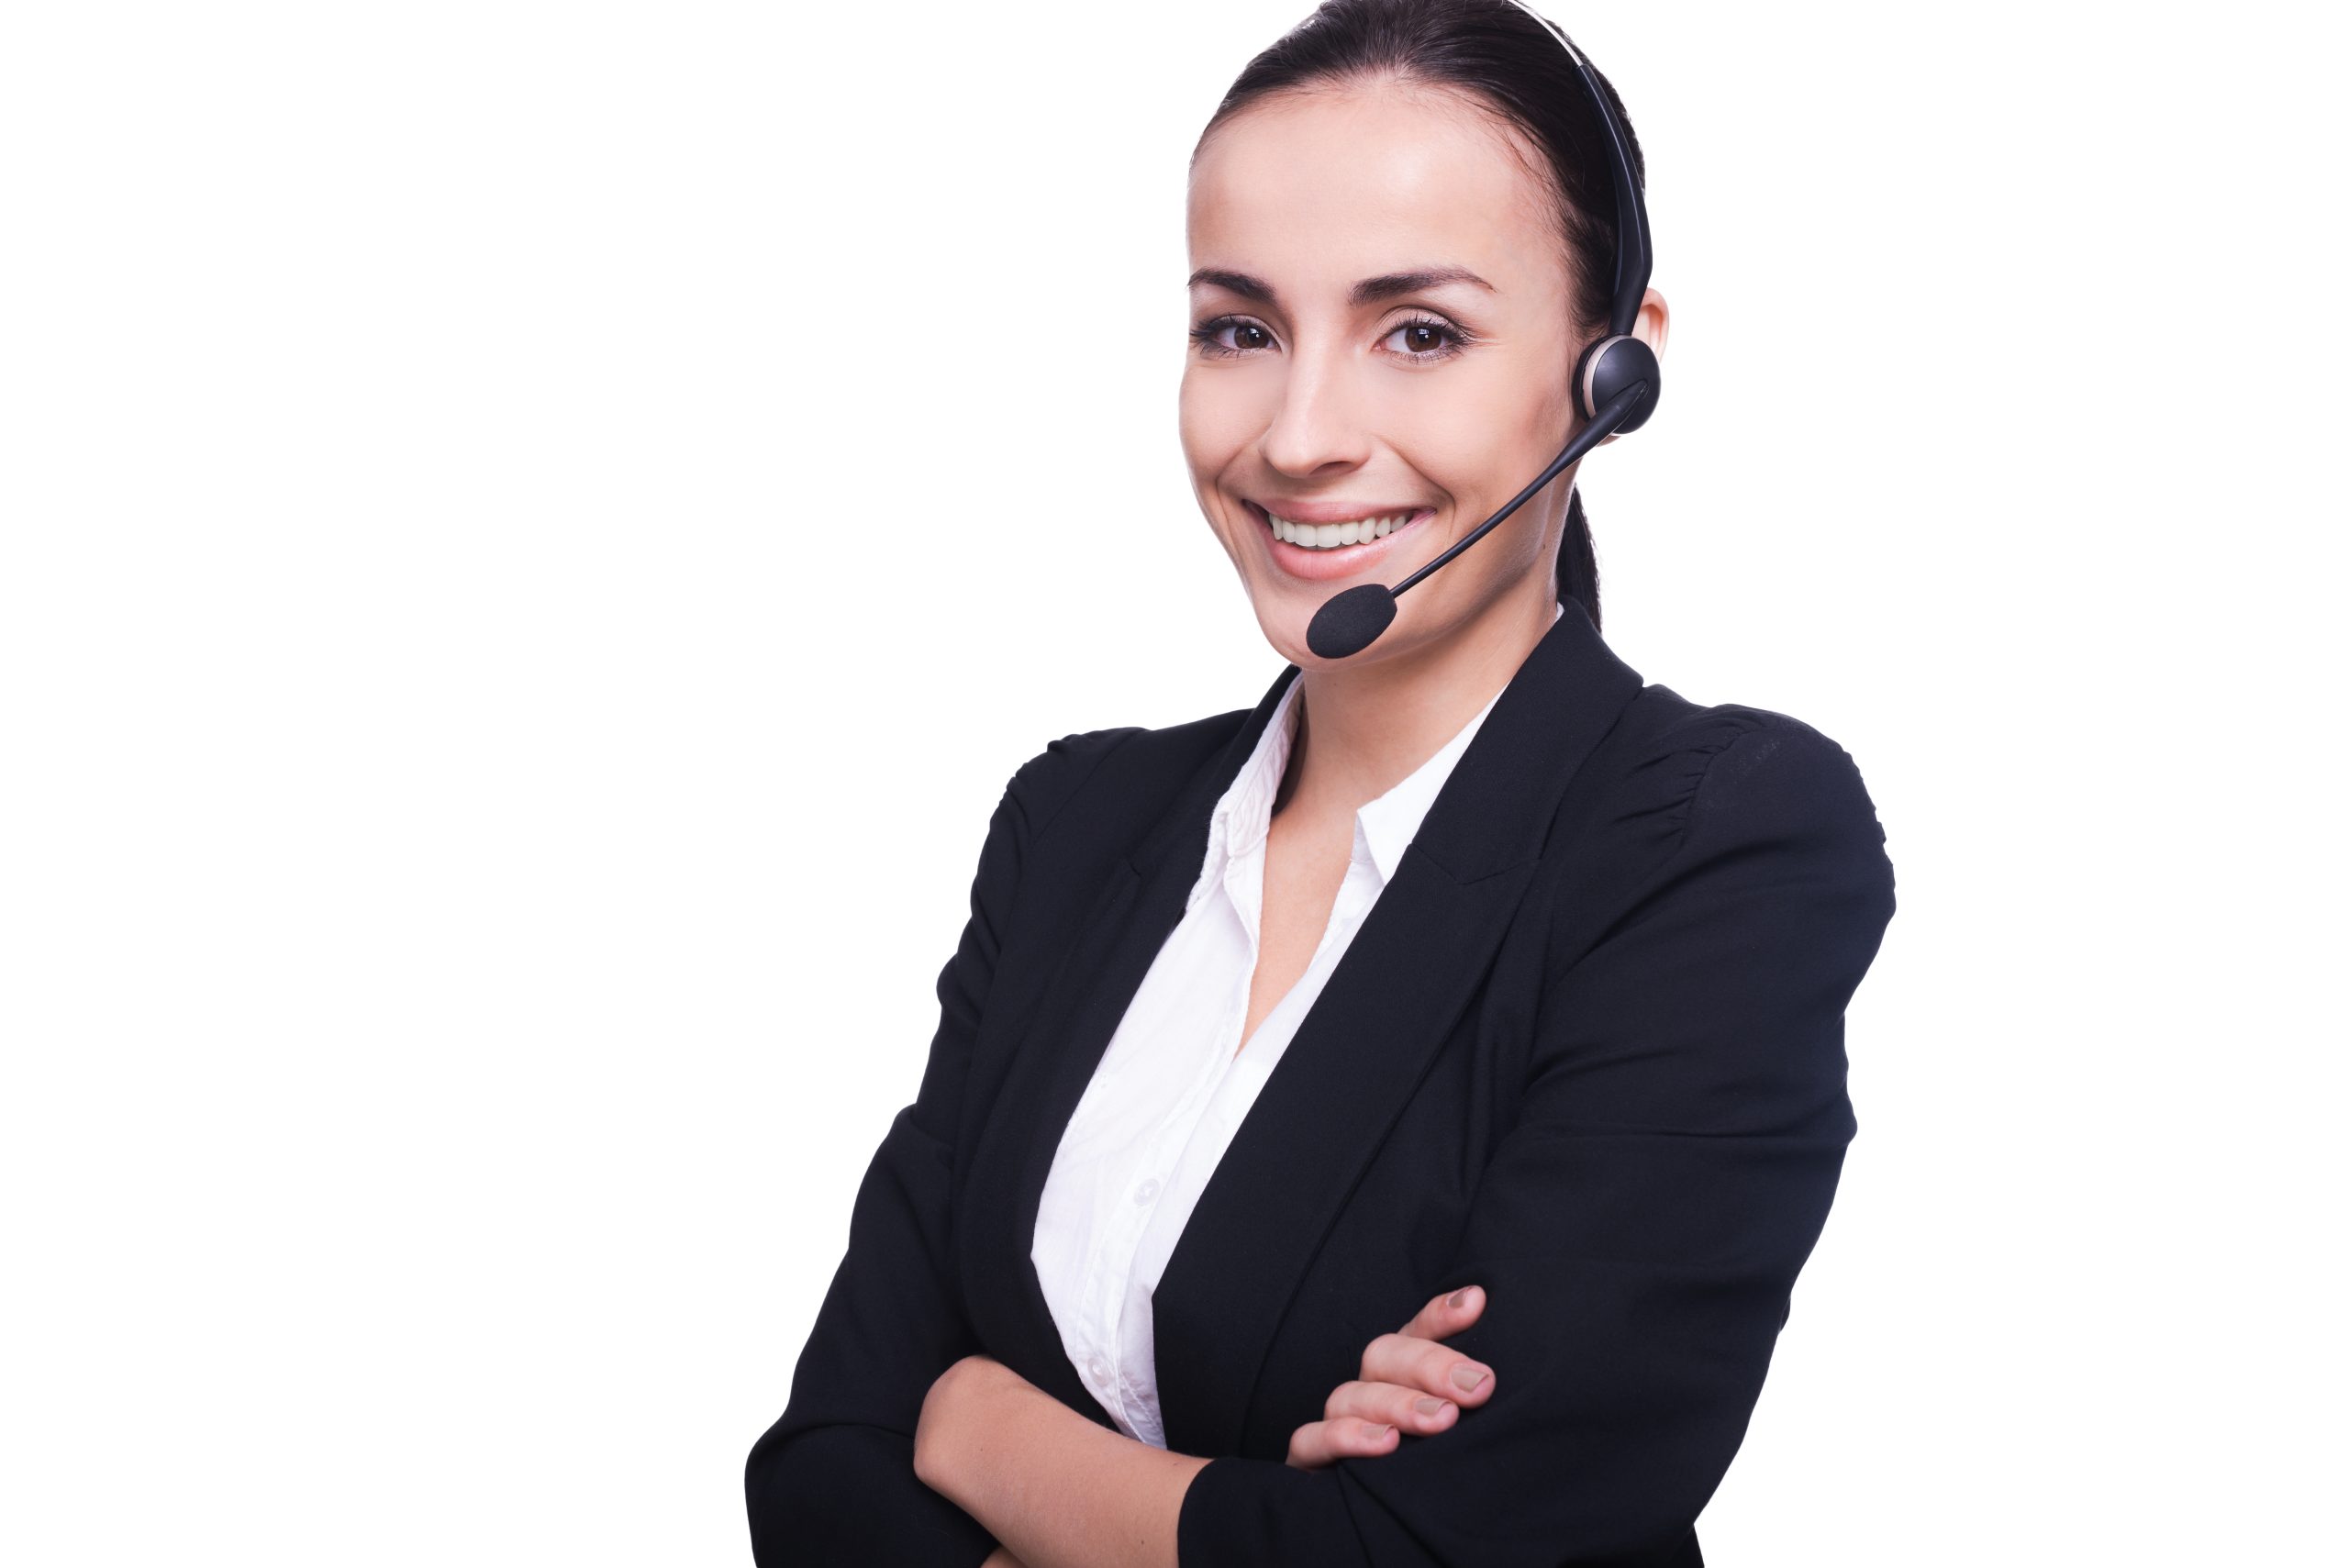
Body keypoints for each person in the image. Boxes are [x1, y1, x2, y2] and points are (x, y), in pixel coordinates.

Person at [745, 1, 1896, 1562]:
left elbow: (1442, 1542)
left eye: (1418, 331)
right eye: (1241, 328)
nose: (1298, 437)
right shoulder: (1071, 826)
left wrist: (976, 1419)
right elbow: (819, 1469)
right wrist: (1244, 1512)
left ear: (1614, 369)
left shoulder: (1717, 844)